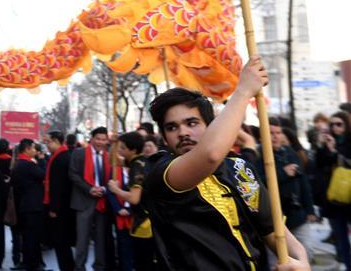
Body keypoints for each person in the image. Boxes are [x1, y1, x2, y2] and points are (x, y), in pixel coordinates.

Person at [143, 57, 310, 270]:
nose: (183, 132)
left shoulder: (238, 168)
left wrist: (300, 259)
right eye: (172, 127)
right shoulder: (160, 171)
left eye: (191, 123)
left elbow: (273, 230)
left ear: (210, 126)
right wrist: (242, 92)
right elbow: (210, 154)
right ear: (165, 138)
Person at [261, 119, 315, 262]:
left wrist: (310, 209)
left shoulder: (290, 153)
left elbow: (303, 183)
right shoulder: (258, 156)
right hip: (273, 219)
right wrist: (283, 173)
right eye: (271, 133)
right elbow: (257, 185)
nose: (275, 136)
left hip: (297, 215)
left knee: (306, 251)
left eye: (278, 133)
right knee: (277, 260)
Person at [106, 131, 154, 270]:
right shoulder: (139, 160)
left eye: (122, 148)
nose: (120, 150)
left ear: (132, 150)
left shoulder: (137, 167)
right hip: (146, 220)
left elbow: (134, 198)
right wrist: (114, 144)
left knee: (143, 263)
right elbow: (112, 160)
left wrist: (116, 190)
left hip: (145, 224)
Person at [69, 126, 111, 271]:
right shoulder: (79, 153)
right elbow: (73, 174)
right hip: (83, 202)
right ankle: (79, 267)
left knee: (101, 239)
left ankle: (99, 267)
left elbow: (112, 177)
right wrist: (89, 189)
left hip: (102, 202)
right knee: (82, 240)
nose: (100, 142)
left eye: (103, 139)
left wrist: (104, 189)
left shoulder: (109, 155)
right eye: (98, 139)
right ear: (92, 139)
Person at [315, 110, 351, 269]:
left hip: (349, 196)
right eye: (332, 124)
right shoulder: (327, 144)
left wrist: (336, 153)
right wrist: (323, 147)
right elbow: (319, 166)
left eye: (339, 124)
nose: (336, 128)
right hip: (333, 198)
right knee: (340, 236)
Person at [10, 139, 45, 271]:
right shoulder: (27, 164)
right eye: (34, 148)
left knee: (28, 236)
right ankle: (32, 264)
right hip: (32, 206)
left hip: (24, 205)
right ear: (27, 149)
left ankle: (30, 262)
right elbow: (42, 174)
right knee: (32, 236)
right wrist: (41, 160)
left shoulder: (19, 164)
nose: (36, 151)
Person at [45, 131, 76, 271]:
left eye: (48, 142)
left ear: (57, 141)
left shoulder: (60, 159)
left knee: (61, 242)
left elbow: (57, 186)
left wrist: (53, 209)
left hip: (61, 209)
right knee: (63, 243)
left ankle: (66, 267)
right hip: (65, 207)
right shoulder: (62, 156)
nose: (46, 145)